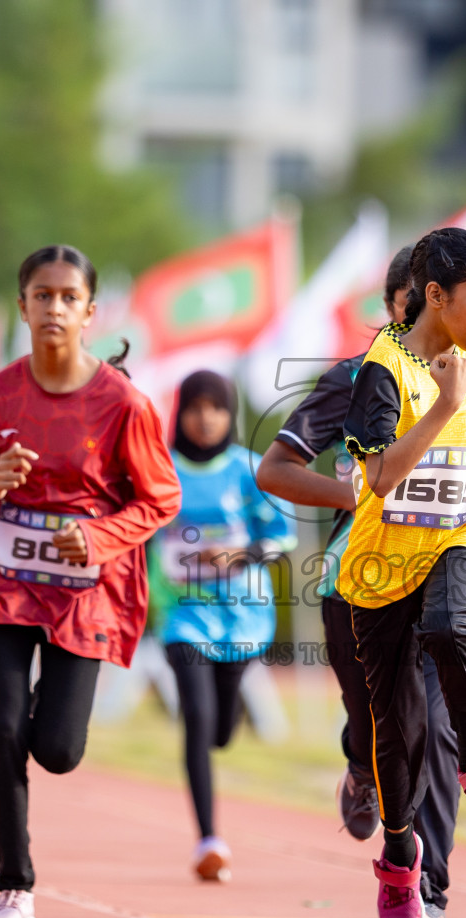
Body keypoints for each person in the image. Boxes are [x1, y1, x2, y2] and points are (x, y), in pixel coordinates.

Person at [0, 244, 180, 918]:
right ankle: (15, 888)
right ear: (23, 307)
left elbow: (160, 499)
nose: (55, 308)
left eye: (69, 297)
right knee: (2, 729)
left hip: (86, 593)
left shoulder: (123, 403)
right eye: (42, 295)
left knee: (59, 751)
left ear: (91, 313)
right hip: (6, 585)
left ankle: (49, 714)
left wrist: (95, 538)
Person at [257, 246, 466, 918]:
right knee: (382, 727)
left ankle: (430, 888)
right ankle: (360, 760)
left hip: (440, 571)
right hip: (360, 583)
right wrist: (351, 490)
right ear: (401, 306)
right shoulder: (358, 378)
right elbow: (276, 468)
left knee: (436, 734)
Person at [339, 226, 466, 918]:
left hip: (460, 533)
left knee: (454, 628)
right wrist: (440, 406)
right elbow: (382, 476)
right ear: (434, 295)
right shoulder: (382, 368)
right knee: (398, 731)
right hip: (380, 560)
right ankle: (398, 860)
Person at [154, 370, 295, 883]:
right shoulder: (161, 470)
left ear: (230, 414)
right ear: (181, 413)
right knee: (196, 717)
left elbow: (283, 538)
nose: (205, 417)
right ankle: (208, 839)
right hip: (182, 614)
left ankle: (225, 716)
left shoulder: (250, 470)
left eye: (216, 407)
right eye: (195, 406)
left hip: (244, 618)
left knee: (219, 731)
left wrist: (241, 554)